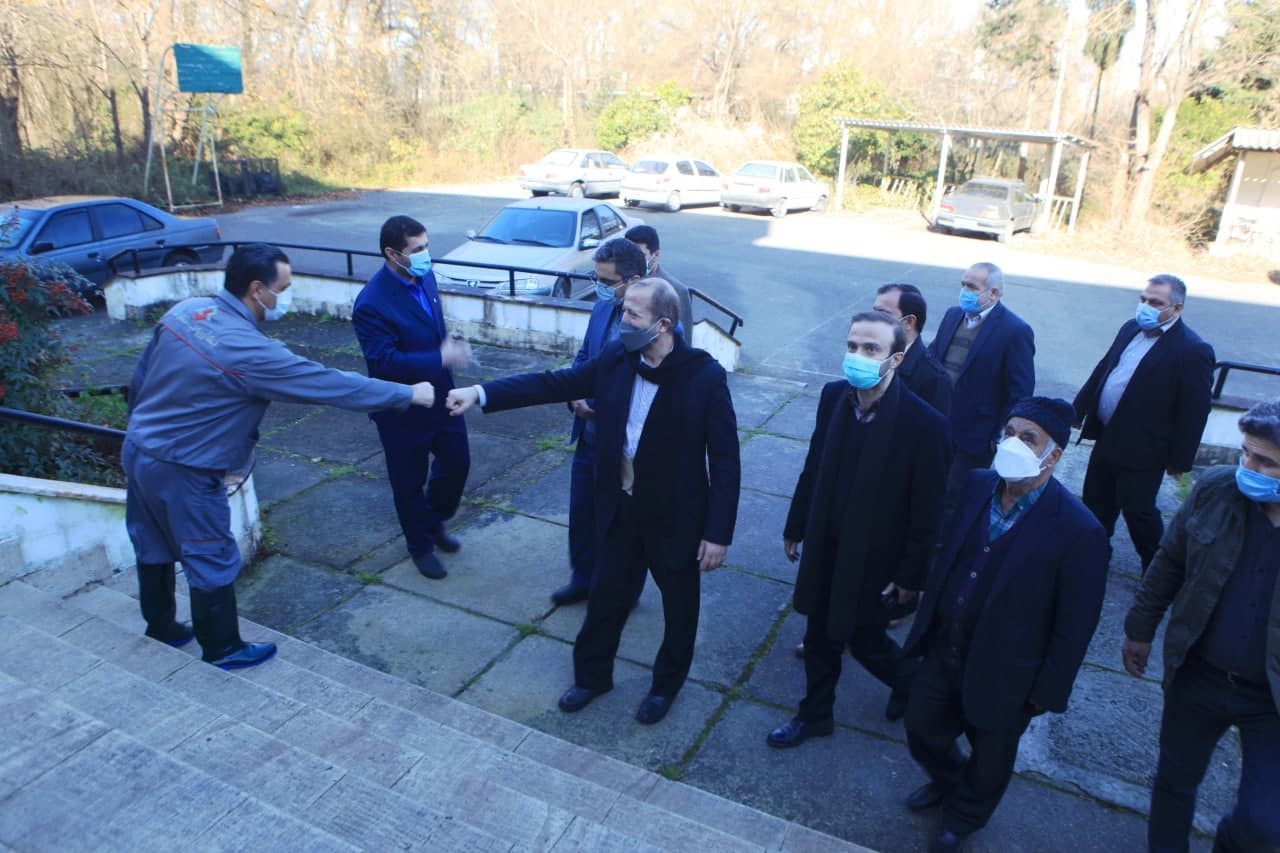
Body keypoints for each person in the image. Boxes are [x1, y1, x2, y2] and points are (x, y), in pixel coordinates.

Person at [124, 243, 435, 669]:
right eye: (283, 289)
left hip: (139, 448)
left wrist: (140, 430)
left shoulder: (186, 311)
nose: (285, 297)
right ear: (257, 289)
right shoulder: (247, 350)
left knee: (151, 540)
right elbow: (328, 383)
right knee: (209, 552)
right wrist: (407, 394)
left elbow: (140, 380)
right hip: (185, 468)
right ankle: (223, 648)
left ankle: (161, 626)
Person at [446, 278, 739, 725]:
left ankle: (665, 686)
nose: (623, 321)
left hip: (675, 519)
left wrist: (717, 534)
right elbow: (552, 384)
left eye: (633, 314)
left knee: (680, 611)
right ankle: (592, 677)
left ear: (663, 325)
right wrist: (480, 393)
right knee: (605, 599)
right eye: (624, 311)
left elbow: (725, 460)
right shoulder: (617, 358)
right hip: (621, 510)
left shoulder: (705, 377)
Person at [900, 397, 1108, 853]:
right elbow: (950, 554)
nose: (1013, 443)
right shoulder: (979, 485)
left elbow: (1075, 625)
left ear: (1053, 455)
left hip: (1008, 673)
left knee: (991, 755)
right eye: (1009, 433)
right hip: (946, 648)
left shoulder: (1080, 531)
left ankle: (964, 816)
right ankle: (949, 781)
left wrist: (1048, 689)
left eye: (1028, 438)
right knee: (921, 727)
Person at [767, 311, 950, 749]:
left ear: (896, 359)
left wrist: (910, 576)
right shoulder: (833, 397)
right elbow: (814, 465)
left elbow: (928, 511)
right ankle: (815, 715)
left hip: (875, 557)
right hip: (826, 544)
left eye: (871, 349)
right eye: (852, 346)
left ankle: (914, 686)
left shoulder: (925, 425)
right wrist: (796, 524)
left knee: (866, 641)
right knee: (818, 634)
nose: (858, 356)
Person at [1122, 398, 1280, 853]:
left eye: (1266, 462)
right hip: (1198, 675)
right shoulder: (1216, 490)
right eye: (1245, 453)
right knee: (1175, 781)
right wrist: (1140, 628)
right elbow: (1169, 561)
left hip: (1270, 700)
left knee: (1263, 824)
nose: (1247, 467)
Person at [353, 215, 471, 580]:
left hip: (443, 397)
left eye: (426, 246)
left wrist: (446, 353)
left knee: (457, 465)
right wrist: (440, 357)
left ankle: (433, 522)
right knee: (409, 483)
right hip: (402, 409)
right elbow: (383, 361)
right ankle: (419, 546)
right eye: (417, 249)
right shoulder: (371, 303)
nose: (425, 255)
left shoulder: (425, 276)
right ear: (392, 253)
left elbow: (431, 328)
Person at [1073, 274, 1215, 572]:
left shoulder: (1192, 350)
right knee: (1095, 503)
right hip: (1107, 436)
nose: (1145, 306)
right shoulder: (1130, 328)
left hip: (1144, 450)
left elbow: (1194, 411)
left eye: (1155, 302)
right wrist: (1078, 410)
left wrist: (1179, 460)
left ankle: (1157, 571)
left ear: (1177, 309)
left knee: (1138, 513)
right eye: (1143, 299)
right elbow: (1105, 367)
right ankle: (1093, 559)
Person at [554, 237, 648, 605]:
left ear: (634, 280)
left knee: (625, 525)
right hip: (589, 437)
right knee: (582, 514)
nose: (599, 288)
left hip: (626, 449)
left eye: (607, 282)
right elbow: (583, 357)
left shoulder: (657, 324)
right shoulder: (601, 308)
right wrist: (574, 395)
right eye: (596, 279)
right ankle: (583, 579)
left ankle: (626, 592)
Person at [927, 262, 1035, 510]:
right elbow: (933, 357)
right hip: (937, 422)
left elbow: (1019, 391)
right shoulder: (953, 315)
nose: (965, 291)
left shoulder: (1014, 331)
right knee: (929, 487)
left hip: (974, 435)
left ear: (993, 293)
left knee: (954, 498)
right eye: (963, 284)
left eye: (972, 287)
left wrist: (1000, 434)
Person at [872, 283, 952, 416]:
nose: (872, 320)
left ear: (909, 322)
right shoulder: (868, 356)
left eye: (883, 314)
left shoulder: (934, 379)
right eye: (873, 312)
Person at [625, 224, 694, 331]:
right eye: (628, 254)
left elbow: (683, 337)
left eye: (640, 255)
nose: (632, 260)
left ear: (656, 254)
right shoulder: (621, 282)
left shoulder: (677, 291)